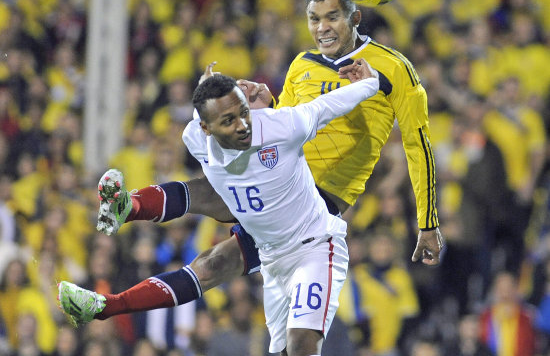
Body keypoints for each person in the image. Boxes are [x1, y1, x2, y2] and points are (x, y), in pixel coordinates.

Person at [58, 0, 442, 338]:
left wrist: (427, 222)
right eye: (313, 18)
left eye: (332, 17)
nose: (322, 27)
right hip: (278, 174)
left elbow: (417, 144)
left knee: (211, 257)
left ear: (354, 16)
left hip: (312, 205)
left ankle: (123, 244)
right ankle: (112, 273)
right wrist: (266, 104)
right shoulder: (302, 65)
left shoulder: (394, 69)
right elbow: (284, 126)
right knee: (211, 237)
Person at [60, 61, 380, 355]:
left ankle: (130, 208)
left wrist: (370, 83)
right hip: (262, 236)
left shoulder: (281, 126)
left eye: (243, 112)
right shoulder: (196, 140)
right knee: (209, 247)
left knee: (299, 343)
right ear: (206, 129)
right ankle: (106, 300)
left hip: (311, 243)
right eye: (228, 120)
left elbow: (326, 106)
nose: (242, 125)